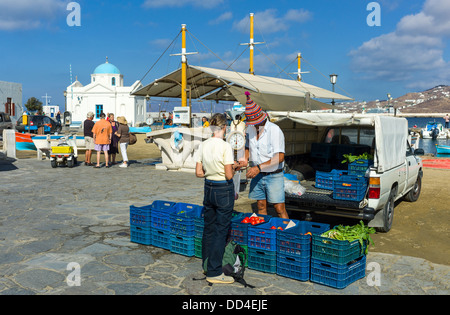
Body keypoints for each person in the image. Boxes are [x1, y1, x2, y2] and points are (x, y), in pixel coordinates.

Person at [196, 113, 236, 284]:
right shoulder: (225, 146)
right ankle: (214, 271)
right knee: (221, 230)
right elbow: (228, 175)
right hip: (222, 189)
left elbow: (198, 172)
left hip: (208, 187)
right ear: (224, 127)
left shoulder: (203, 145)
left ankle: (206, 264)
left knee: (209, 227)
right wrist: (235, 167)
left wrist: (212, 170)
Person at [237, 91, 289, 219]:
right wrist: (244, 160)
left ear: (262, 119)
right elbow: (248, 147)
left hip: (273, 174)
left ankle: (288, 235)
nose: (252, 126)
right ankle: (263, 233)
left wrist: (258, 167)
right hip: (257, 175)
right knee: (260, 205)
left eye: (254, 123)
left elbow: (280, 157)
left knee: (279, 208)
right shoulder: (250, 129)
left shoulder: (274, 130)